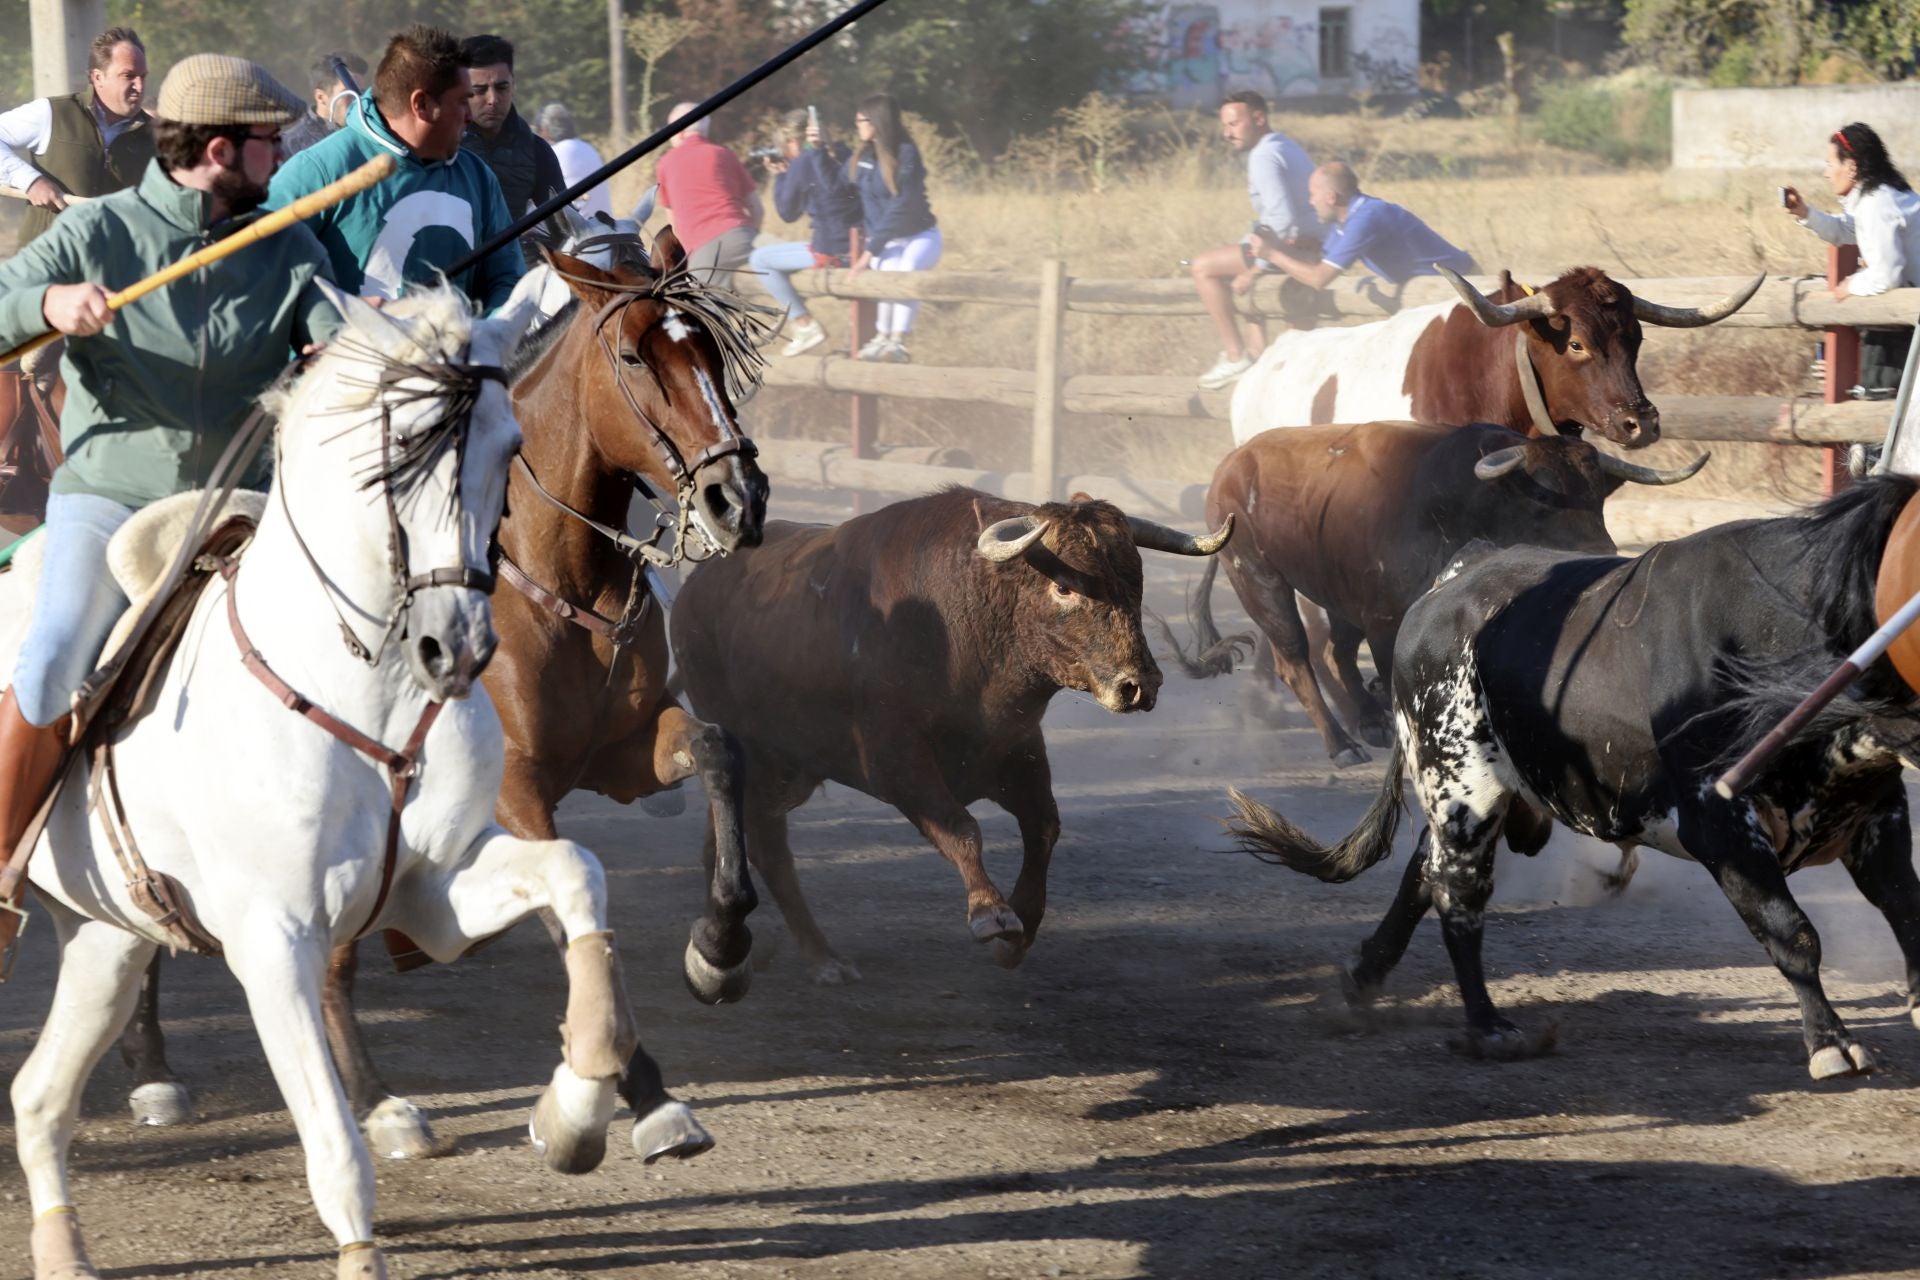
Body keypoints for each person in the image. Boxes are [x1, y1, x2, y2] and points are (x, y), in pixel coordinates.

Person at [0, 54, 341, 901]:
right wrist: (46, 307)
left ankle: (392, 875)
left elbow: (339, 336)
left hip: (248, 500)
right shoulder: (99, 230)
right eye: (271, 141)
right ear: (223, 152)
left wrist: (340, 356)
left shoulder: (288, 239)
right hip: (112, 494)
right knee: (46, 664)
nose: (283, 154)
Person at [267, 23, 524, 312]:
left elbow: (508, 278)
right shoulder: (317, 171)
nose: (469, 116)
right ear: (422, 105)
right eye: (462, 101)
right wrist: (331, 328)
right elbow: (263, 276)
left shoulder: (478, 177)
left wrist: (486, 338)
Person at [1189, 89, 1319, 390]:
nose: (1227, 133)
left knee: (1202, 267)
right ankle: (1256, 354)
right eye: (1225, 126)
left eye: (1234, 124)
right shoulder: (1283, 144)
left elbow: (1282, 219)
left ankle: (1236, 357)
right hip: (1307, 243)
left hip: (1293, 245)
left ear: (1259, 119)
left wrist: (1256, 268)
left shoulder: (1263, 155)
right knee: (1238, 258)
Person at [1786, 121, 1920, 392]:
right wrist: (1805, 213)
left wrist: (1851, 285)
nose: (1826, 173)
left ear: (1851, 166)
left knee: (1883, 415)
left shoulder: (1877, 204)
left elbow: (1888, 275)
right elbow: (1848, 229)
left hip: (1903, 335)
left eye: (1829, 164)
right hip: (1905, 326)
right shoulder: (1882, 196)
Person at [0, 26, 152, 244]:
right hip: (43, 267)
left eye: (143, 77)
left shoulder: (156, 136)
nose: (139, 86)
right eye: (128, 76)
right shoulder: (53, 113)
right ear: (98, 77)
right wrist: (31, 181)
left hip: (114, 272)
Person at [749, 108, 862, 357]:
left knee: (759, 259)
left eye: (784, 146)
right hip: (860, 245)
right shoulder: (844, 151)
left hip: (831, 251)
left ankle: (804, 324)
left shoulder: (802, 162)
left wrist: (780, 177)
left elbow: (788, 213)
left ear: (793, 142)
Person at [1263, 161, 1475, 290]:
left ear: (1330, 197)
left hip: (1463, 286)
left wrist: (1272, 255)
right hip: (1435, 287)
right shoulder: (1345, 221)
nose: (1310, 202)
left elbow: (1319, 278)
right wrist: (1281, 247)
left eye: (1312, 195)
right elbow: (1317, 263)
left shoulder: (1366, 218)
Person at [846, 93, 940, 364]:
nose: (857, 125)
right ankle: (882, 337)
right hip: (887, 240)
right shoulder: (864, 156)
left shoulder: (906, 154)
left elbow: (901, 206)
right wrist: (817, 151)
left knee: (906, 267)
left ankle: (897, 340)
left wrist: (868, 252)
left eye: (861, 120)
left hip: (921, 236)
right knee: (887, 271)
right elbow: (841, 186)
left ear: (876, 121)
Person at [459, 33, 566, 258]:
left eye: (501, 87)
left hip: (510, 272)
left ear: (514, 85)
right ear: (461, 90)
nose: (492, 99)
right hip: (447, 274)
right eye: (479, 90)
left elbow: (564, 229)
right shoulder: (437, 147)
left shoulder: (537, 150)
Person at [654, 102, 762, 287]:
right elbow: (757, 209)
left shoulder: (666, 163)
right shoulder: (724, 154)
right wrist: (750, 234)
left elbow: (675, 228)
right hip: (743, 236)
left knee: (705, 311)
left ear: (678, 132)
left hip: (704, 250)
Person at [534, 101, 611, 221]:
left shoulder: (552, 153)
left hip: (579, 232)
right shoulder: (589, 148)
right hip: (605, 225)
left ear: (545, 130)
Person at [282, 51, 368, 157]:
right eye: (349, 93)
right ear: (321, 97)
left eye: (362, 92)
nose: (358, 99)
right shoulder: (289, 147)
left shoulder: (370, 133)